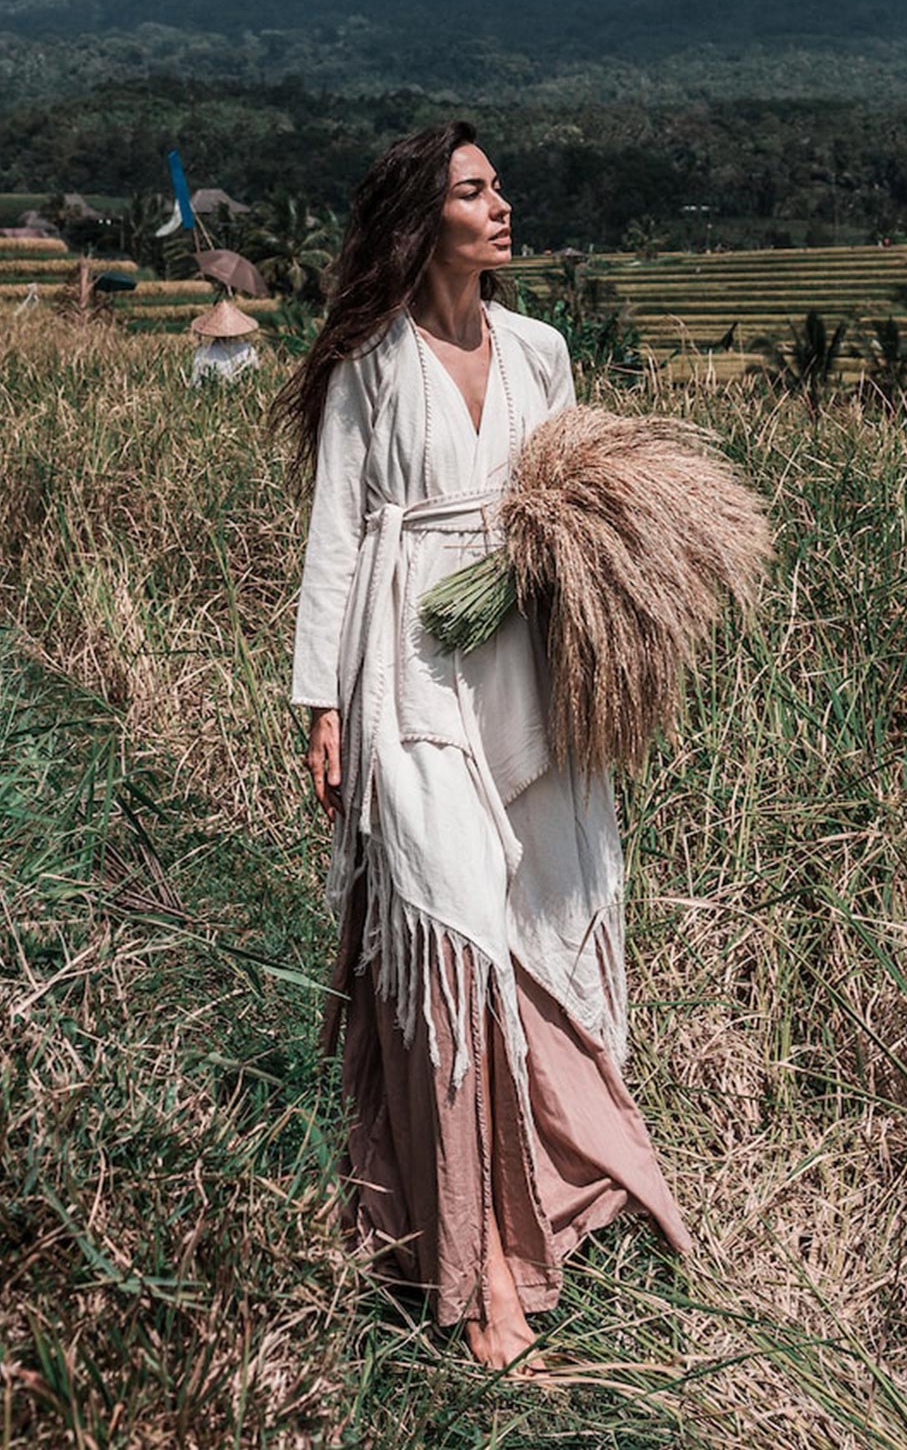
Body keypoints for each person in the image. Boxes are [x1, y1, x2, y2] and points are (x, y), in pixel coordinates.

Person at [274, 122, 691, 1376]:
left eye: (498, 184)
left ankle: (539, 1196)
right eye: (473, 189)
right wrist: (321, 703)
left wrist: (547, 576)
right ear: (424, 217)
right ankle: (478, 1282)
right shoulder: (370, 362)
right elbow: (337, 534)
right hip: (403, 665)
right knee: (451, 930)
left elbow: (580, 492)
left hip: (520, 664)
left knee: (536, 913)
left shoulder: (543, 352)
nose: (500, 203)